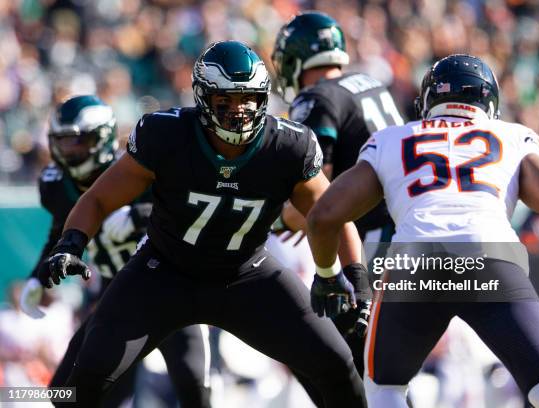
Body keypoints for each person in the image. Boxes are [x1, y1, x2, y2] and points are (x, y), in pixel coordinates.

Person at [39, 41, 368, 407]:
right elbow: (99, 198)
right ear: (203, 97)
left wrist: (354, 278)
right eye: (226, 99)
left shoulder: (288, 145)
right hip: (162, 272)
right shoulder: (166, 134)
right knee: (86, 377)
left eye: (248, 99)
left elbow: (329, 213)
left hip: (246, 274)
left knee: (336, 363)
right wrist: (70, 243)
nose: (239, 110)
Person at [306, 54, 539, 407]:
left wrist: (327, 275)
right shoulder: (511, 136)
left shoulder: (392, 138)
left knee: (384, 391)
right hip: (491, 258)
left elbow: (323, 215)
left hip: (415, 261)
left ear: (429, 100)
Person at [19, 95, 212, 408]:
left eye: (79, 142)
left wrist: (138, 215)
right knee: (67, 394)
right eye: (64, 142)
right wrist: (37, 278)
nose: (70, 151)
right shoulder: (56, 184)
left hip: (172, 288)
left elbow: (188, 207)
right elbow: (61, 231)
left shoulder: (137, 168)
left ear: (103, 138)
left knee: (194, 390)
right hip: (118, 294)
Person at [271, 10, 403, 382]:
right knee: (381, 367)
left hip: (379, 240)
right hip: (408, 228)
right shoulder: (369, 82)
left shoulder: (316, 99)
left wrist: (275, 220)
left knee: (358, 364)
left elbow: (319, 200)